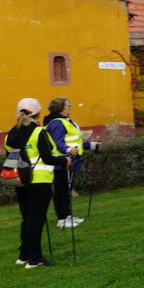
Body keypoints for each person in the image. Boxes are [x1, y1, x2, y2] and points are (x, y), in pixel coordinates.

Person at [5, 98, 70, 268]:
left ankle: (23, 254)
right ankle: (35, 259)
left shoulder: (10, 134)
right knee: (36, 220)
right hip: (39, 181)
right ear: (37, 113)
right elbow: (48, 158)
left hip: (20, 180)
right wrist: (64, 161)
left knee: (27, 219)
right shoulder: (38, 131)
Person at [43, 98, 101, 228]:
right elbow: (57, 143)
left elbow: (76, 141)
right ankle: (62, 219)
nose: (70, 108)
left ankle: (67, 216)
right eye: (68, 106)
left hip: (70, 160)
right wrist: (69, 150)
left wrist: (92, 145)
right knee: (61, 190)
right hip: (61, 161)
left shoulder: (67, 122)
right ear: (60, 108)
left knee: (67, 189)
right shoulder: (57, 123)